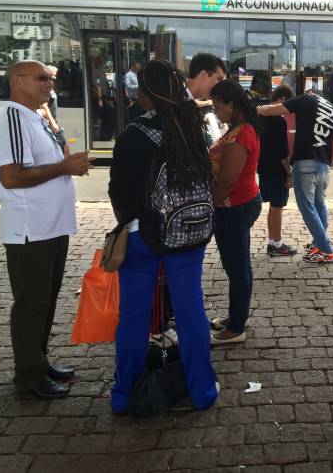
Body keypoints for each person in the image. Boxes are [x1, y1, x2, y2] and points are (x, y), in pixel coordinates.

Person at [108, 59, 218, 414]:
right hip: (189, 234)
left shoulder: (133, 136)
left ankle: (123, 394)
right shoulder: (193, 128)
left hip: (142, 237)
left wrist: (126, 223)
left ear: (144, 94)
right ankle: (203, 391)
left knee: (134, 318)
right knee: (190, 312)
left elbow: (119, 191)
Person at [0, 60, 93, 399]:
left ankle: (38, 359)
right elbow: (12, 176)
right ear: (17, 81)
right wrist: (64, 166)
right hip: (30, 229)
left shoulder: (37, 117)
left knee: (45, 301)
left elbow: (55, 156)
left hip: (50, 227)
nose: (49, 84)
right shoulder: (12, 120)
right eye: (41, 78)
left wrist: (64, 153)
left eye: (50, 79)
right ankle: (29, 377)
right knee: (32, 302)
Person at [257, 90, 333, 263]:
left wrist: (258, 107)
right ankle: (318, 244)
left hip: (305, 163)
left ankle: (326, 250)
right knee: (319, 206)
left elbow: (271, 110)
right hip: (324, 165)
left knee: (308, 208)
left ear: (309, 94)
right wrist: (327, 165)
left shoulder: (305, 100)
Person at [207, 80, 263, 345]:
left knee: (238, 267)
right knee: (236, 266)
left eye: (219, 107)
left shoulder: (241, 135)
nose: (217, 112)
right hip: (238, 204)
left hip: (234, 207)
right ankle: (236, 316)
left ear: (232, 104)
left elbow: (227, 181)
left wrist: (211, 205)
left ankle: (236, 327)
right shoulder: (239, 129)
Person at [259, 85, 297, 257]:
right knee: (278, 207)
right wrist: (289, 171)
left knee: (272, 208)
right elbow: (282, 151)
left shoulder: (262, 116)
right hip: (277, 169)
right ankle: (278, 244)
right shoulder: (278, 120)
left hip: (264, 167)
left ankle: (271, 241)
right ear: (282, 99)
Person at [186, 53, 226, 147]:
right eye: (219, 79)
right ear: (204, 75)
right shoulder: (176, 100)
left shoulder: (185, 98)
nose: (221, 86)